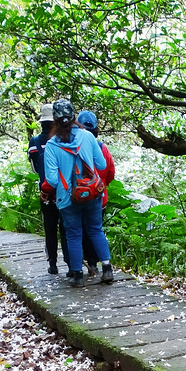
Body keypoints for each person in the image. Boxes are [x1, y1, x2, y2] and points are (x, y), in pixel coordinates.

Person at [43, 99, 114, 288]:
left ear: (54, 121)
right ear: (74, 116)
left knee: (73, 235)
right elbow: (102, 165)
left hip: (68, 198)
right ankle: (107, 269)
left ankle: (77, 275)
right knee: (96, 229)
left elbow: (51, 180)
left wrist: (66, 183)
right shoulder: (88, 137)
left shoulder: (51, 146)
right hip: (92, 194)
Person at [29, 103, 69, 274]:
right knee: (66, 228)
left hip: (46, 193)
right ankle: (70, 264)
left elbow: (34, 169)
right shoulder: (63, 139)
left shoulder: (34, 142)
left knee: (50, 228)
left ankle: (52, 264)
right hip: (65, 190)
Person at [77, 110, 116, 277]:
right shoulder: (102, 147)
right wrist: (101, 185)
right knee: (96, 229)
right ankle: (103, 265)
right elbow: (110, 171)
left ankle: (89, 264)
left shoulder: (73, 144)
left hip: (77, 195)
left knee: (81, 231)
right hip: (99, 196)